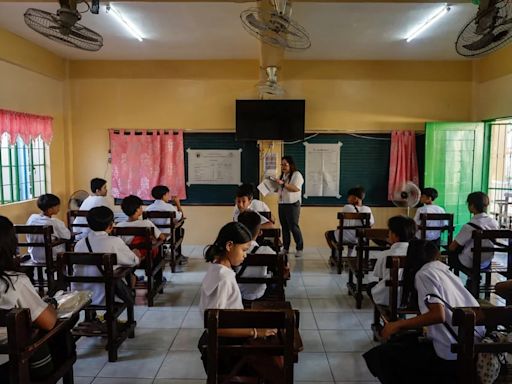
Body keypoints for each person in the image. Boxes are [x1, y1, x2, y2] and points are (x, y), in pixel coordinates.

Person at [364, 239, 484, 383]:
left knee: (381, 356)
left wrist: (398, 325)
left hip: (452, 356)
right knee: (401, 343)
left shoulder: (424, 274)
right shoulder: (446, 272)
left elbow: (438, 314)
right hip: (469, 346)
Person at [197, 222, 280, 382]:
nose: (245, 255)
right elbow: (216, 327)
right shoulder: (225, 277)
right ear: (229, 245)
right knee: (275, 361)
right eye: (243, 250)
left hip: (217, 341)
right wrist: (255, 332)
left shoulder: (215, 268)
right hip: (226, 350)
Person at [0, 216, 60, 382]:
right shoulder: (14, 282)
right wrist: (49, 305)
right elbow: (48, 322)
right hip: (8, 363)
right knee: (57, 329)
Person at [72, 206, 141, 306]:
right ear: (110, 226)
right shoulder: (114, 242)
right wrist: (135, 254)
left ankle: (93, 317)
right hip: (107, 296)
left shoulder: (80, 244)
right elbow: (133, 261)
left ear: (89, 225)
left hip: (82, 296)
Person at [370, 216, 416, 306]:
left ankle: (386, 314)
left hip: (390, 297)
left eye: (389, 231)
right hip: (411, 298)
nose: (388, 234)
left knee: (371, 286)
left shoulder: (385, 255)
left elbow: (379, 275)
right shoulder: (417, 254)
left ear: (395, 236)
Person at [448, 191, 499, 270]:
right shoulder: (495, 223)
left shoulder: (469, 226)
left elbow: (452, 247)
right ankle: (472, 280)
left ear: (472, 206)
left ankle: (455, 280)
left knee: (451, 255)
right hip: (486, 263)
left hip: (469, 262)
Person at [326, 186, 374, 262]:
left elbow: (341, 222)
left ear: (355, 198)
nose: (348, 199)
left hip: (345, 237)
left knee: (328, 234)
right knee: (353, 233)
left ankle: (336, 254)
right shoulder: (368, 209)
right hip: (361, 238)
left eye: (349, 197)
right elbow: (371, 224)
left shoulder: (347, 207)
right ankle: (350, 255)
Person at [236, 211, 276, 302]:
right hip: (260, 294)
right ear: (260, 232)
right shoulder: (267, 251)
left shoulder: (232, 250)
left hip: (237, 294)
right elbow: (283, 269)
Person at [26, 194, 71, 263]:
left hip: (34, 256)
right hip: (52, 256)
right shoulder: (55, 222)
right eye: (57, 206)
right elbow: (68, 236)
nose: (59, 208)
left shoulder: (32, 218)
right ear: (50, 210)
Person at [277, 156, 304, 257]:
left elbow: (295, 188)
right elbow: (281, 188)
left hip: (292, 204)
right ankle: (286, 248)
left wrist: (283, 184)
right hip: (282, 203)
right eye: (282, 164)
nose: (283, 166)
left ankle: (299, 248)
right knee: (284, 227)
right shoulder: (282, 175)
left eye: (285, 164)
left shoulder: (297, 175)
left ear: (290, 165)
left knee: (293, 226)